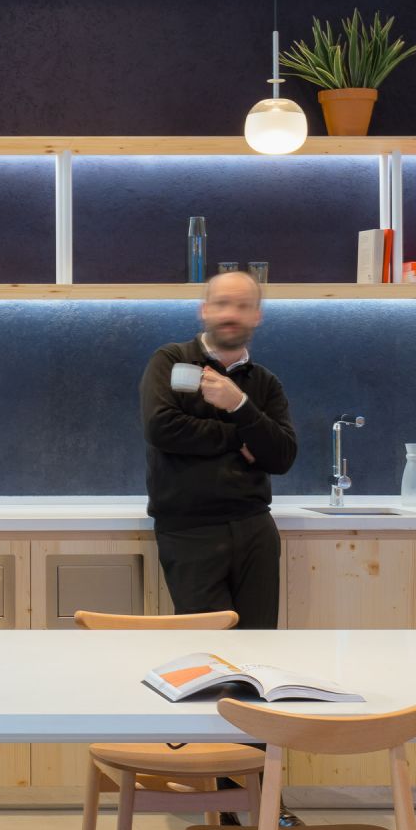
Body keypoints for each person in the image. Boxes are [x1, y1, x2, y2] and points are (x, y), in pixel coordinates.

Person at [139, 269, 297, 630]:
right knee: (207, 643)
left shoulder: (265, 383)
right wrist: (241, 437)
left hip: (255, 529)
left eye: (242, 306)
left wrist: (239, 403)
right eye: (222, 304)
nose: (231, 314)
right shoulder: (171, 360)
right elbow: (162, 428)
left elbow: (282, 455)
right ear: (204, 310)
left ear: (256, 315)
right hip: (189, 530)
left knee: (259, 644)